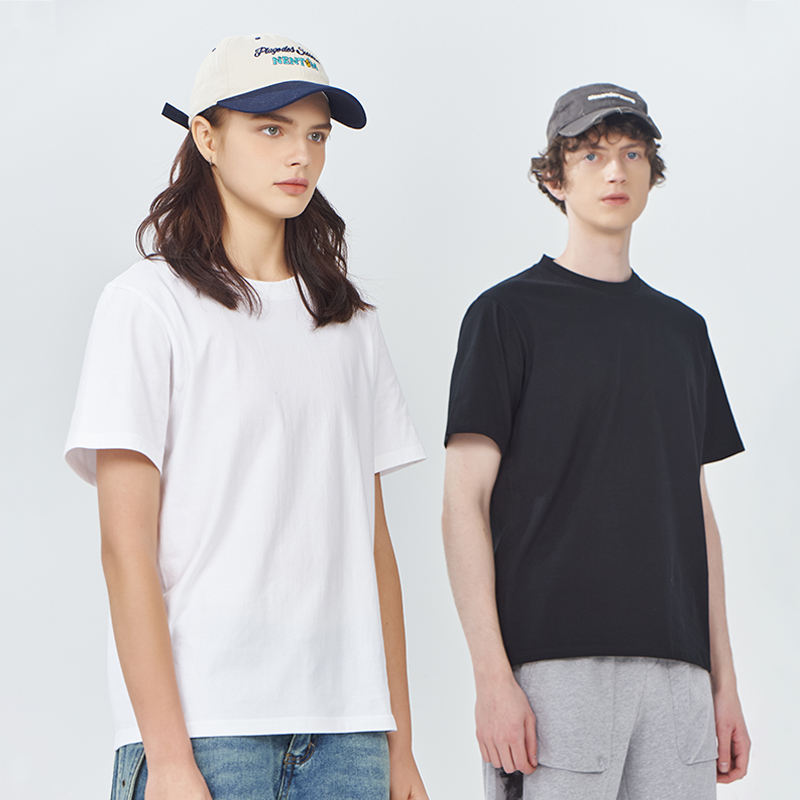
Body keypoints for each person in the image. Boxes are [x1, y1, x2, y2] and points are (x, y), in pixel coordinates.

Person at [64, 33, 428, 800]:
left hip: (350, 735)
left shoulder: (349, 324)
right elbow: (125, 549)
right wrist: (167, 759)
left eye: (316, 135)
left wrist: (402, 749)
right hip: (206, 729)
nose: (299, 155)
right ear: (206, 136)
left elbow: (375, 549)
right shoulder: (146, 307)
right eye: (271, 129)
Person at [441, 82, 750, 799]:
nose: (615, 171)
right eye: (591, 154)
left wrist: (724, 683)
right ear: (555, 177)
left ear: (651, 172)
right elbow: (463, 503)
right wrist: (491, 678)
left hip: (679, 676)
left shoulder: (683, 332)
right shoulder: (505, 315)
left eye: (632, 153)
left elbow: (697, 515)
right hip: (555, 672)